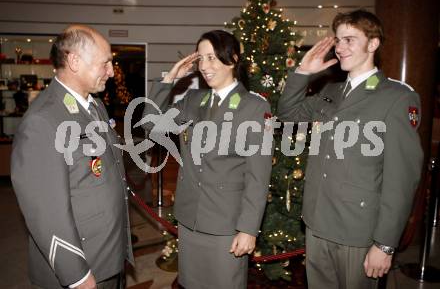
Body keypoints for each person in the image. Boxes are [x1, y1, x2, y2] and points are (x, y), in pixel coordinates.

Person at [277, 9, 423, 288]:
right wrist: (302, 72)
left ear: (373, 43)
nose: (340, 48)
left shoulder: (396, 97)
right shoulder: (330, 92)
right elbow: (287, 114)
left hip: (358, 229)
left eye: (349, 40)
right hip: (318, 222)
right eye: (338, 40)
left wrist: (385, 244)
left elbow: (401, 180)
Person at [143, 30, 272, 288]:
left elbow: (258, 175)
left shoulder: (254, 107)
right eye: (201, 58)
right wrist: (168, 80)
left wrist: (248, 228)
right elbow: (151, 126)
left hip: (226, 224)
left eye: (212, 58)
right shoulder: (193, 99)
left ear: (233, 59)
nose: (204, 66)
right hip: (191, 219)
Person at [11, 25, 134, 289]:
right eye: (105, 63)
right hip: (82, 268)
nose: (111, 72)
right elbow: (44, 211)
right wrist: (76, 275)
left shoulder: (95, 105)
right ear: (75, 61)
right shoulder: (44, 121)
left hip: (106, 254)